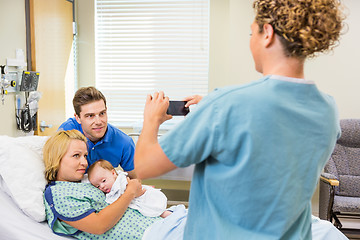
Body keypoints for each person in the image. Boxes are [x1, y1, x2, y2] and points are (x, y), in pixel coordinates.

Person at [134, 0, 345, 239]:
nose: (250, 41)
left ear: (267, 33)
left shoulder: (226, 105)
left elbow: (144, 166)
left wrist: (151, 119)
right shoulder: (327, 109)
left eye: (251, 32)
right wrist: (216, 107)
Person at [42, 129, 187, 239]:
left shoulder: (83, 181)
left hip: (162, 222)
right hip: (150, 234)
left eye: (85, 156)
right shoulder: (59, 194)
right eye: (76, 155)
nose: (84, 162)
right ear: (57, 158)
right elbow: (99, 225)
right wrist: (130, 192)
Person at [58, 86, 136, 178]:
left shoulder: (125, 143)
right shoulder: (66, 131)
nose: (99, 122)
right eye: (90, 116)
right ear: (78, 118)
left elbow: (135, 180)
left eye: (102, 113)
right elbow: (53, 170)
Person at [86, 159, 172, 218]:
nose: (102, 187)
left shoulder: (121, 180)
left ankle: (168, 215)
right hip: (133, 200)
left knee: (153, 209)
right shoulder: (109, 188)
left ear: (113, 173)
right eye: (98, 186)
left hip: (141, 197)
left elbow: (131, 189)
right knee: (152, 212)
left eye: (104, 181)